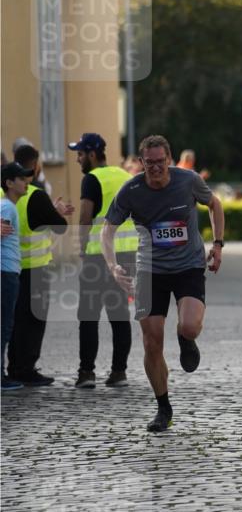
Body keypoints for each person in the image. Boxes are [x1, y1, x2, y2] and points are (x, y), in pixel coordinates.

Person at [101, 135, 225, 433]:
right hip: (149, 270)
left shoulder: (188, 181)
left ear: (169, 159)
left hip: (188, 266)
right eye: (149, 163)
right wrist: (113, 266)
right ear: (141, 162)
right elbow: (107, 230)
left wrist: (218, 244)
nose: (155, 168)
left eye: (160, 162)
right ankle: (163, 407)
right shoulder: (131, 190)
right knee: (151, 341)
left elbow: (215, 204)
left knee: (190, 326)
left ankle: (186, 339)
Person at [69, 133, 139, 389]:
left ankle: (87, 373)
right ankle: (119, 372)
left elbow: (86, 217)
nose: (78, 159)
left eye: (80, 154)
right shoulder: (125, 176)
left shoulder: (91, 179)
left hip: (99, 255)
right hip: (127, 255)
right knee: (119, 314)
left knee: (88, 315)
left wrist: (82, 247)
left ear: (92, 154)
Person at [6, 144, 72, 386]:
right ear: (35, 165)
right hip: (35, 268)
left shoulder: (3, 193)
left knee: (13, 320)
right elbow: (60, 227)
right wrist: (57, 211)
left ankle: (13, 366)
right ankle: (25, 369)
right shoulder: (36, 195)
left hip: (9, 267)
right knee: (34, 320)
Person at [1, 163, 32, 390]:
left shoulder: (8, 206)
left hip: (8, 271)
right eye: (21, 179)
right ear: (9, 183)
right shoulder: (6, 208)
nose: (26, 182)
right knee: (4, 326)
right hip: (5, 273)